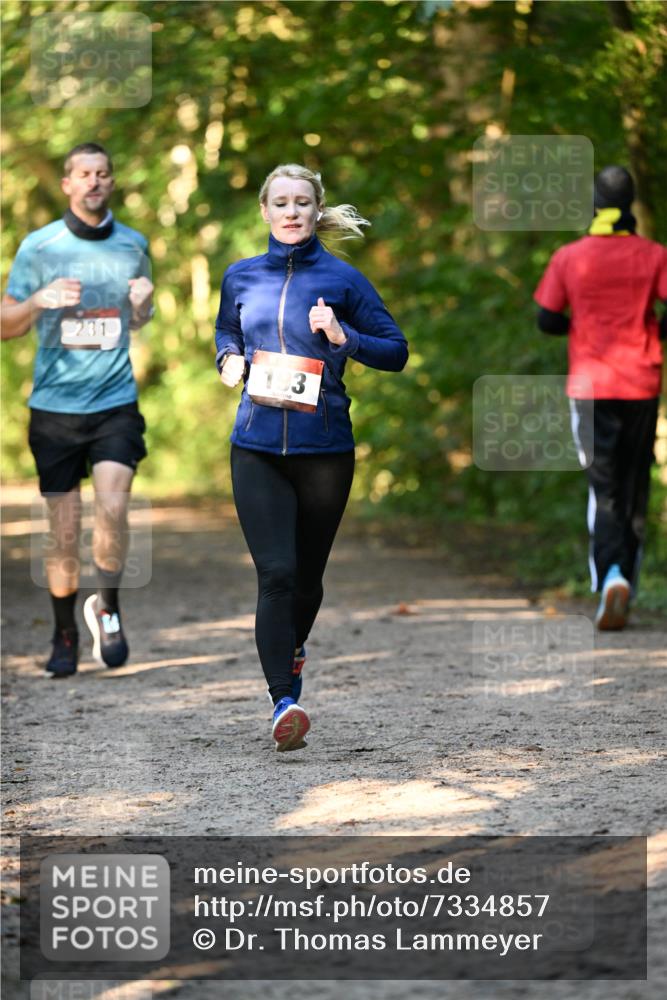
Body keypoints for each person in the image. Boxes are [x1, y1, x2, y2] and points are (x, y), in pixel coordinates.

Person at [215, 163, 408, 751]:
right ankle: (284, 701)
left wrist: (345, 337)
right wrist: (228, 359)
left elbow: (396, 352)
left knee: (307, 578)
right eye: (281, 202)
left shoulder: (344, 281)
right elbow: (227, 331)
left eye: (302, 202)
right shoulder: (240, 277)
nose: (292, 212)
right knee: (275, 574)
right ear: (265, 212)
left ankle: (291, 651)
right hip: (255, 447)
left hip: (325, 450)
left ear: (316, 209)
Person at [1, 142, 154, 675]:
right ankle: (65, 632)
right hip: (55, 410)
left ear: (112, 182)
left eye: (103, 173)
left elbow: (138, 318)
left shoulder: (133, 243)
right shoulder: (38, 247)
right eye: (84, 173)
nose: (94, 181)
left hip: (115, 402)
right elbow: (6, 325)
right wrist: (38, 300)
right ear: (67, 183)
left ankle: (107, 606)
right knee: (63, 530)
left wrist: (142, 305)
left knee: (113, 506)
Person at [534, 165, 667, 630]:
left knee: (603, 488)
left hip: (590, 384)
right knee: (633, 484)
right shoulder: (653, 254)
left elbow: (547, 318)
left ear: (593, 205)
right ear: (630, 206)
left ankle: (611, 573)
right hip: (642, 382)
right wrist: (654, 328)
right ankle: (625, 580)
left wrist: (581, 328)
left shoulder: (570, 257)